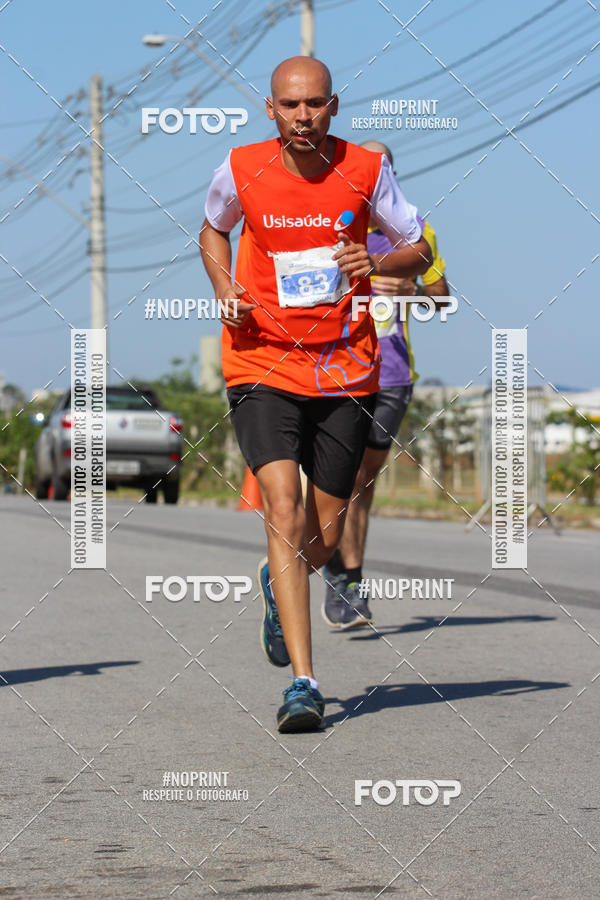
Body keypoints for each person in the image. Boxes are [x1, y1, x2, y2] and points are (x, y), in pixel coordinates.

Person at [200, 59, 431, 732]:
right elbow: (214, 227)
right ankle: (305, 683)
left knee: (323, 537)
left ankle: (282, 585)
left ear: (334, 106)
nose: (303, 116)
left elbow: (418, 248)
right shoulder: (241, 167)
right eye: (289, 105)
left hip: (345, 370)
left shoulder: (364, 169)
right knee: (281, 505)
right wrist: (225, 291)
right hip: (261, 361)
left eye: (314, 104)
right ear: (269, 109)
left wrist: (379, 261)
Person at [322, 140, 449, 629]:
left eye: (384, 169)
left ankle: (347, 575)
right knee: (341, 478)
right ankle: (342, 572)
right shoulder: (336, 223)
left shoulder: (417, 234)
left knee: (361, 481)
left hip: (393, 375)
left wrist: (413, 288)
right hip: (337, 371)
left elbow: (442, 300)